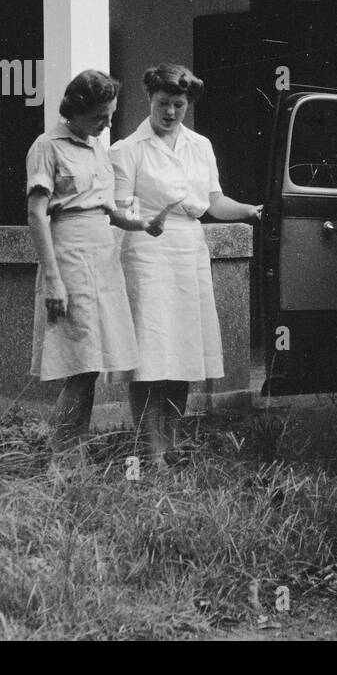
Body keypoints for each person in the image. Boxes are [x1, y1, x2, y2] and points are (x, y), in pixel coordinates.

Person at [110, 63, 262, 464]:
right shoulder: (127, 150)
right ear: (149, 99)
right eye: (163, 103)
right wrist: (144, 223)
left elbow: (213, 201)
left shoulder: (201, 145)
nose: (171, 112)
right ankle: (148, 452)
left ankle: (172, 445)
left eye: (179, 104)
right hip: (145, 251)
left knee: (180, 352)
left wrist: (249, 209)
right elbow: (118, 210)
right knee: (150, 356)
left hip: (188, 250)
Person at [26, 69, 164, 469]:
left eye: (111, 116)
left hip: (103, 259)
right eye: (100, 117)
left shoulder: (97, 148)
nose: (107, 125)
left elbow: (107, 209)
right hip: (69, 257)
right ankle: (63, 462)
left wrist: (142, 223)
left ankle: (75, 457)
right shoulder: (46, 146)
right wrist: (52, 277)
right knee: (80, 365)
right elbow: (37, 215)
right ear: (76, 110)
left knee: (94, 364)